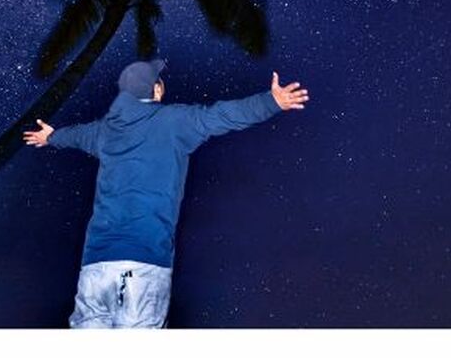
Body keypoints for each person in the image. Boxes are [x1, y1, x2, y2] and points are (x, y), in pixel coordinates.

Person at [22, 58, 310, 328]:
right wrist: (271, 101)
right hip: (145, 261)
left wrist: (51, 137)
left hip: (95, 266)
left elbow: (75, 135)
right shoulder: (174, 121)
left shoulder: (104, 132)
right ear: (157, 90)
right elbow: (221, 115)